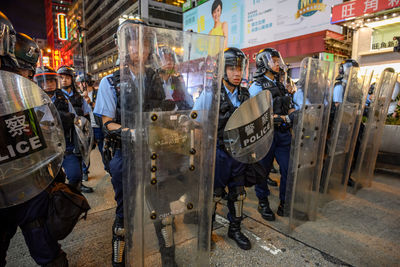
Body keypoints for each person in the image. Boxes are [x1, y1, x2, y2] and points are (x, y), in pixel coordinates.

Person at [0, 12, 68, 266]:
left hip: (31, 183)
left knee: (47, 249)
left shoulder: (25, 94)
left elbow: (49, 134)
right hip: (23, 185)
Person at [194, 47, 252, 250]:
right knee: (214, 195)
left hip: (239, 154)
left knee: (238, 194)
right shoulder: (210, 94)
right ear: (222, 70)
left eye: (240, 68)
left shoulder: (246, 94)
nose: (237, 73)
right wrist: (202, 156)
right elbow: (196, 125)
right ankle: (205, 232)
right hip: (217, 153)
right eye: (232, 68)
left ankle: (234, 229)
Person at [249, 48, 295, 218]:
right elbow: (257, 113)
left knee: (289, 169)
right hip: (266, 135)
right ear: (263, 63)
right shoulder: (256, 87)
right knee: (262, 171)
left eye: (277, 60)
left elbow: (288, 104)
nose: (277, 64)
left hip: (283, 135)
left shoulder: (281, 85)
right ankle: (263, 202)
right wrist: (281, 118)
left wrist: (292, 114)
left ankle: (285, 202)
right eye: (273, 61)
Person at [56, 65, 94, 193]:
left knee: (79, 159)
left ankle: (79, 184)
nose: (64, 80)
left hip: (78, 135)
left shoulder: (79, 97)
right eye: (61, 78)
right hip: (62, 137)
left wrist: (88, 137)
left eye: (67, 77)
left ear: (72, 79)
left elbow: (86, 116)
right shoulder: (56, 96)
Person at [331, 59, 359, 187]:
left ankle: (347, 174)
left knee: (354, 150)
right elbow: (338, 106)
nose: (354, 73)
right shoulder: (339, 85)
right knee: (343, 151)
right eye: (352, 70)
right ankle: (339, 176)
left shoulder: (355, 86)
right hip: (344, 124)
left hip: (355, 122)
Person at [76, 73, 109, 175]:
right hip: (86, 127)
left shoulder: (98, 93)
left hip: (97, 126)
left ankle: (108, 168)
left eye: (80, 83)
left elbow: (102, 108)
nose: (79, 86)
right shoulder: (78, 96)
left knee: (102, 148)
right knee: (86, 149)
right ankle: (85, 172)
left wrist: (90, 102)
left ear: (85, 83)